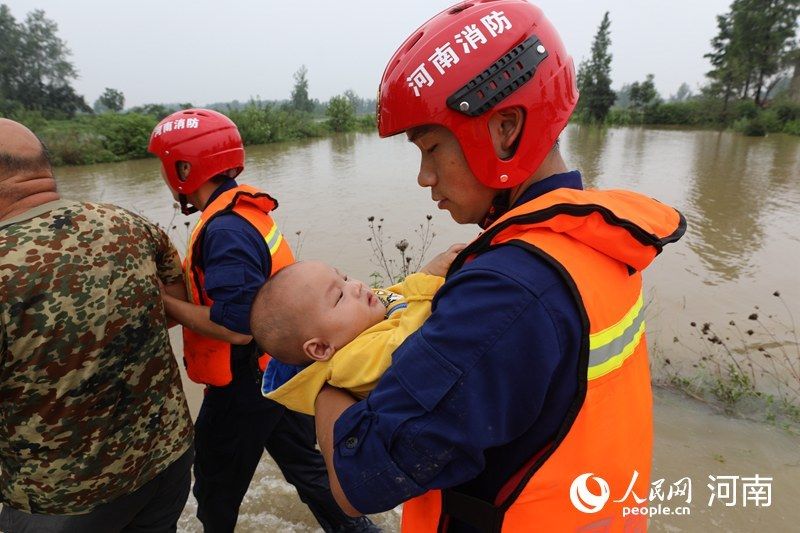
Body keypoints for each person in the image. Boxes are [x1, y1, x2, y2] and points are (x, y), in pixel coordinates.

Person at [313, 2, 687, 532]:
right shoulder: (595, 239)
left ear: (505, 129)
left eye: (432, 148)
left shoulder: (506, 290)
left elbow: (360, 481)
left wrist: (324, 383)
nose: (424, 178)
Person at [147, 109, 378, 533]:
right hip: (278, 370)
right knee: (307, 467)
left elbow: (238, 325)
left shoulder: (225, 229)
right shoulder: (242, 212)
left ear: (182, 167)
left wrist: (166, 304)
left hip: (243, 381)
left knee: (215, 487)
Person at [0, 118, 194, 531]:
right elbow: (175, 307)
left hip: (62, 499)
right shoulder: (130, 224)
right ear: (44, 167)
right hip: (165, 461)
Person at [251, 244, 463, 416]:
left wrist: (430, 271)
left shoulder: (364, 317)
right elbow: (410, 345)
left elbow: (401, 298)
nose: (355, 286)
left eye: (344, 278)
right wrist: (427, 282)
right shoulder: (349, 363)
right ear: (321, 347)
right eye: (339, 296)